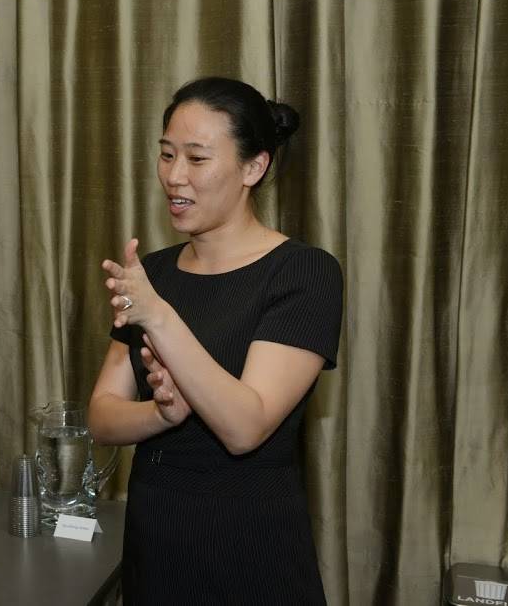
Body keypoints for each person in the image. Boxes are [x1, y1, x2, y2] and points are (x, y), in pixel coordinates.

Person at [88, 77, 343, 604]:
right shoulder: (154, 272)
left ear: (254, 168)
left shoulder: (303, 273)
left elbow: (245, 427)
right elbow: (102, 417)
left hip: (250, 549)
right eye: (166, 154)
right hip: (155, 541)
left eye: (197, 159)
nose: (174, 176)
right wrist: (161, 415)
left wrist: (159, 315)